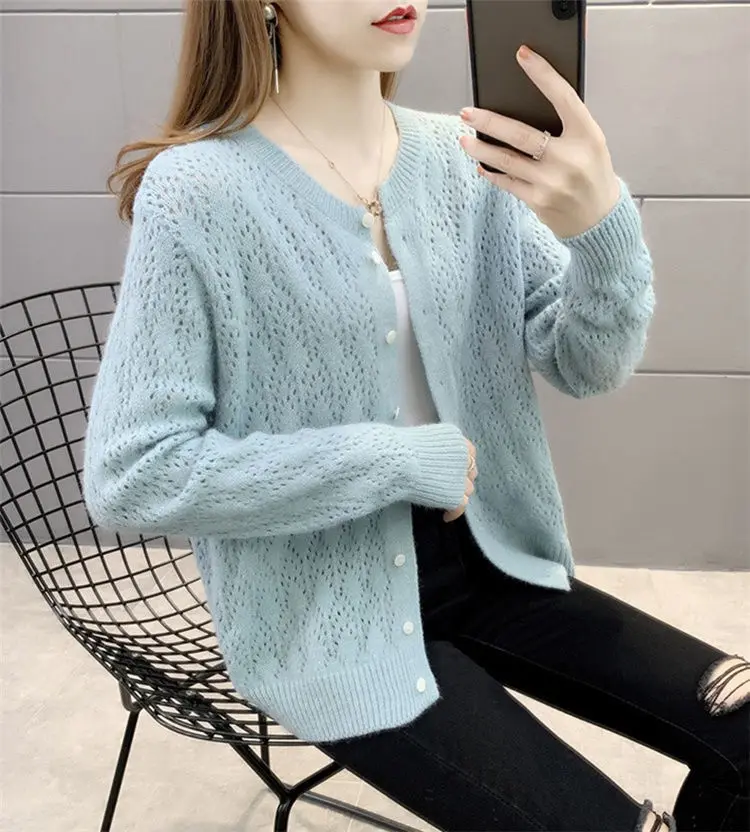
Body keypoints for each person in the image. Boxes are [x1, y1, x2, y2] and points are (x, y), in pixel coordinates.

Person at [83, 1, 749, 830]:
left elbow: (587, 365)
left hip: (498, 566)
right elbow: (133, 472)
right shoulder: (197, 191)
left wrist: (600, 230)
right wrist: (394, 460)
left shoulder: (463, 159)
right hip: (328, 616)